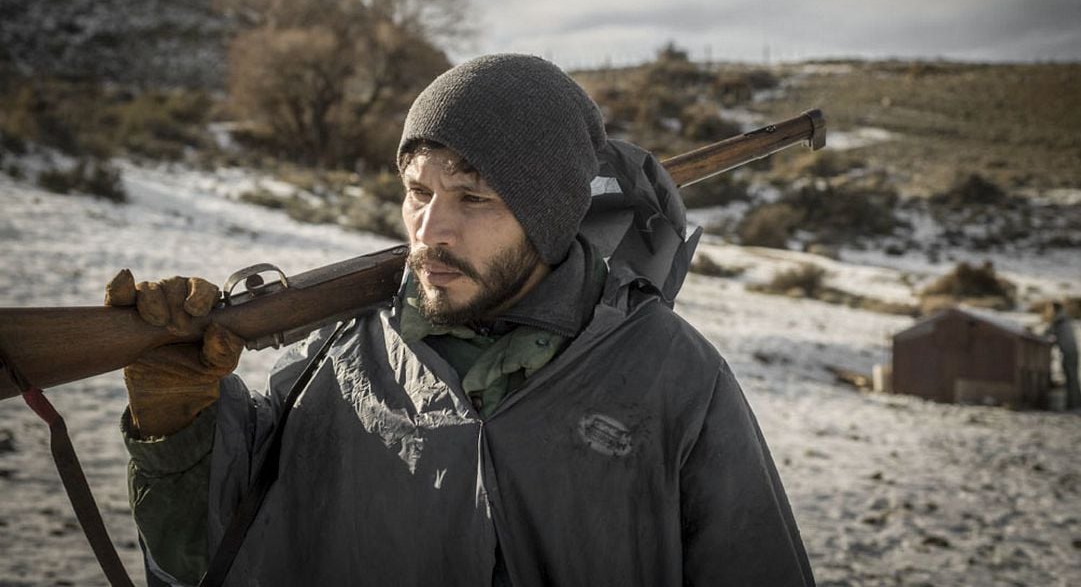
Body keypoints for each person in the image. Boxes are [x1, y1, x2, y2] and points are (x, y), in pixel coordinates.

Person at [109, 54, 815, 586]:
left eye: (472, 198)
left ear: (547, 215)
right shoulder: (339, 360)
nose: (429, 230)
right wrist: (179, 428)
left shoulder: (674, 376)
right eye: (418, 192)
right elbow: (216, 558)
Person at [1045, 301, 1080, 409]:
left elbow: (1047, 333)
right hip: (1071, 352)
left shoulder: (1059, 320)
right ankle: (1075, 402)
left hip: (1068, 353)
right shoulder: (1064, 319)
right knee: (1072, 378)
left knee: (1071, 378)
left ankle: (1073, 404)